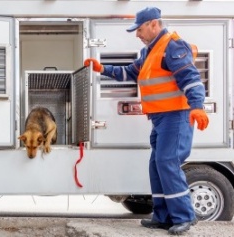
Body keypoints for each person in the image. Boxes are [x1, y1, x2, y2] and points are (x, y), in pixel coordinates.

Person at [84, 6, 209, 235]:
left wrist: (198, 107)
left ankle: (184, 217)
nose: (137, 34)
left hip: (176, 117)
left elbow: (191, 79)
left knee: (167, 162)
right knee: (156, 165)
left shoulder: (172, 46)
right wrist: (102, 69)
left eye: (139, 29)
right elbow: (130, 73)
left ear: (154, 24)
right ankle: (162, 216)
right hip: (159, 118)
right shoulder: (148, 52)